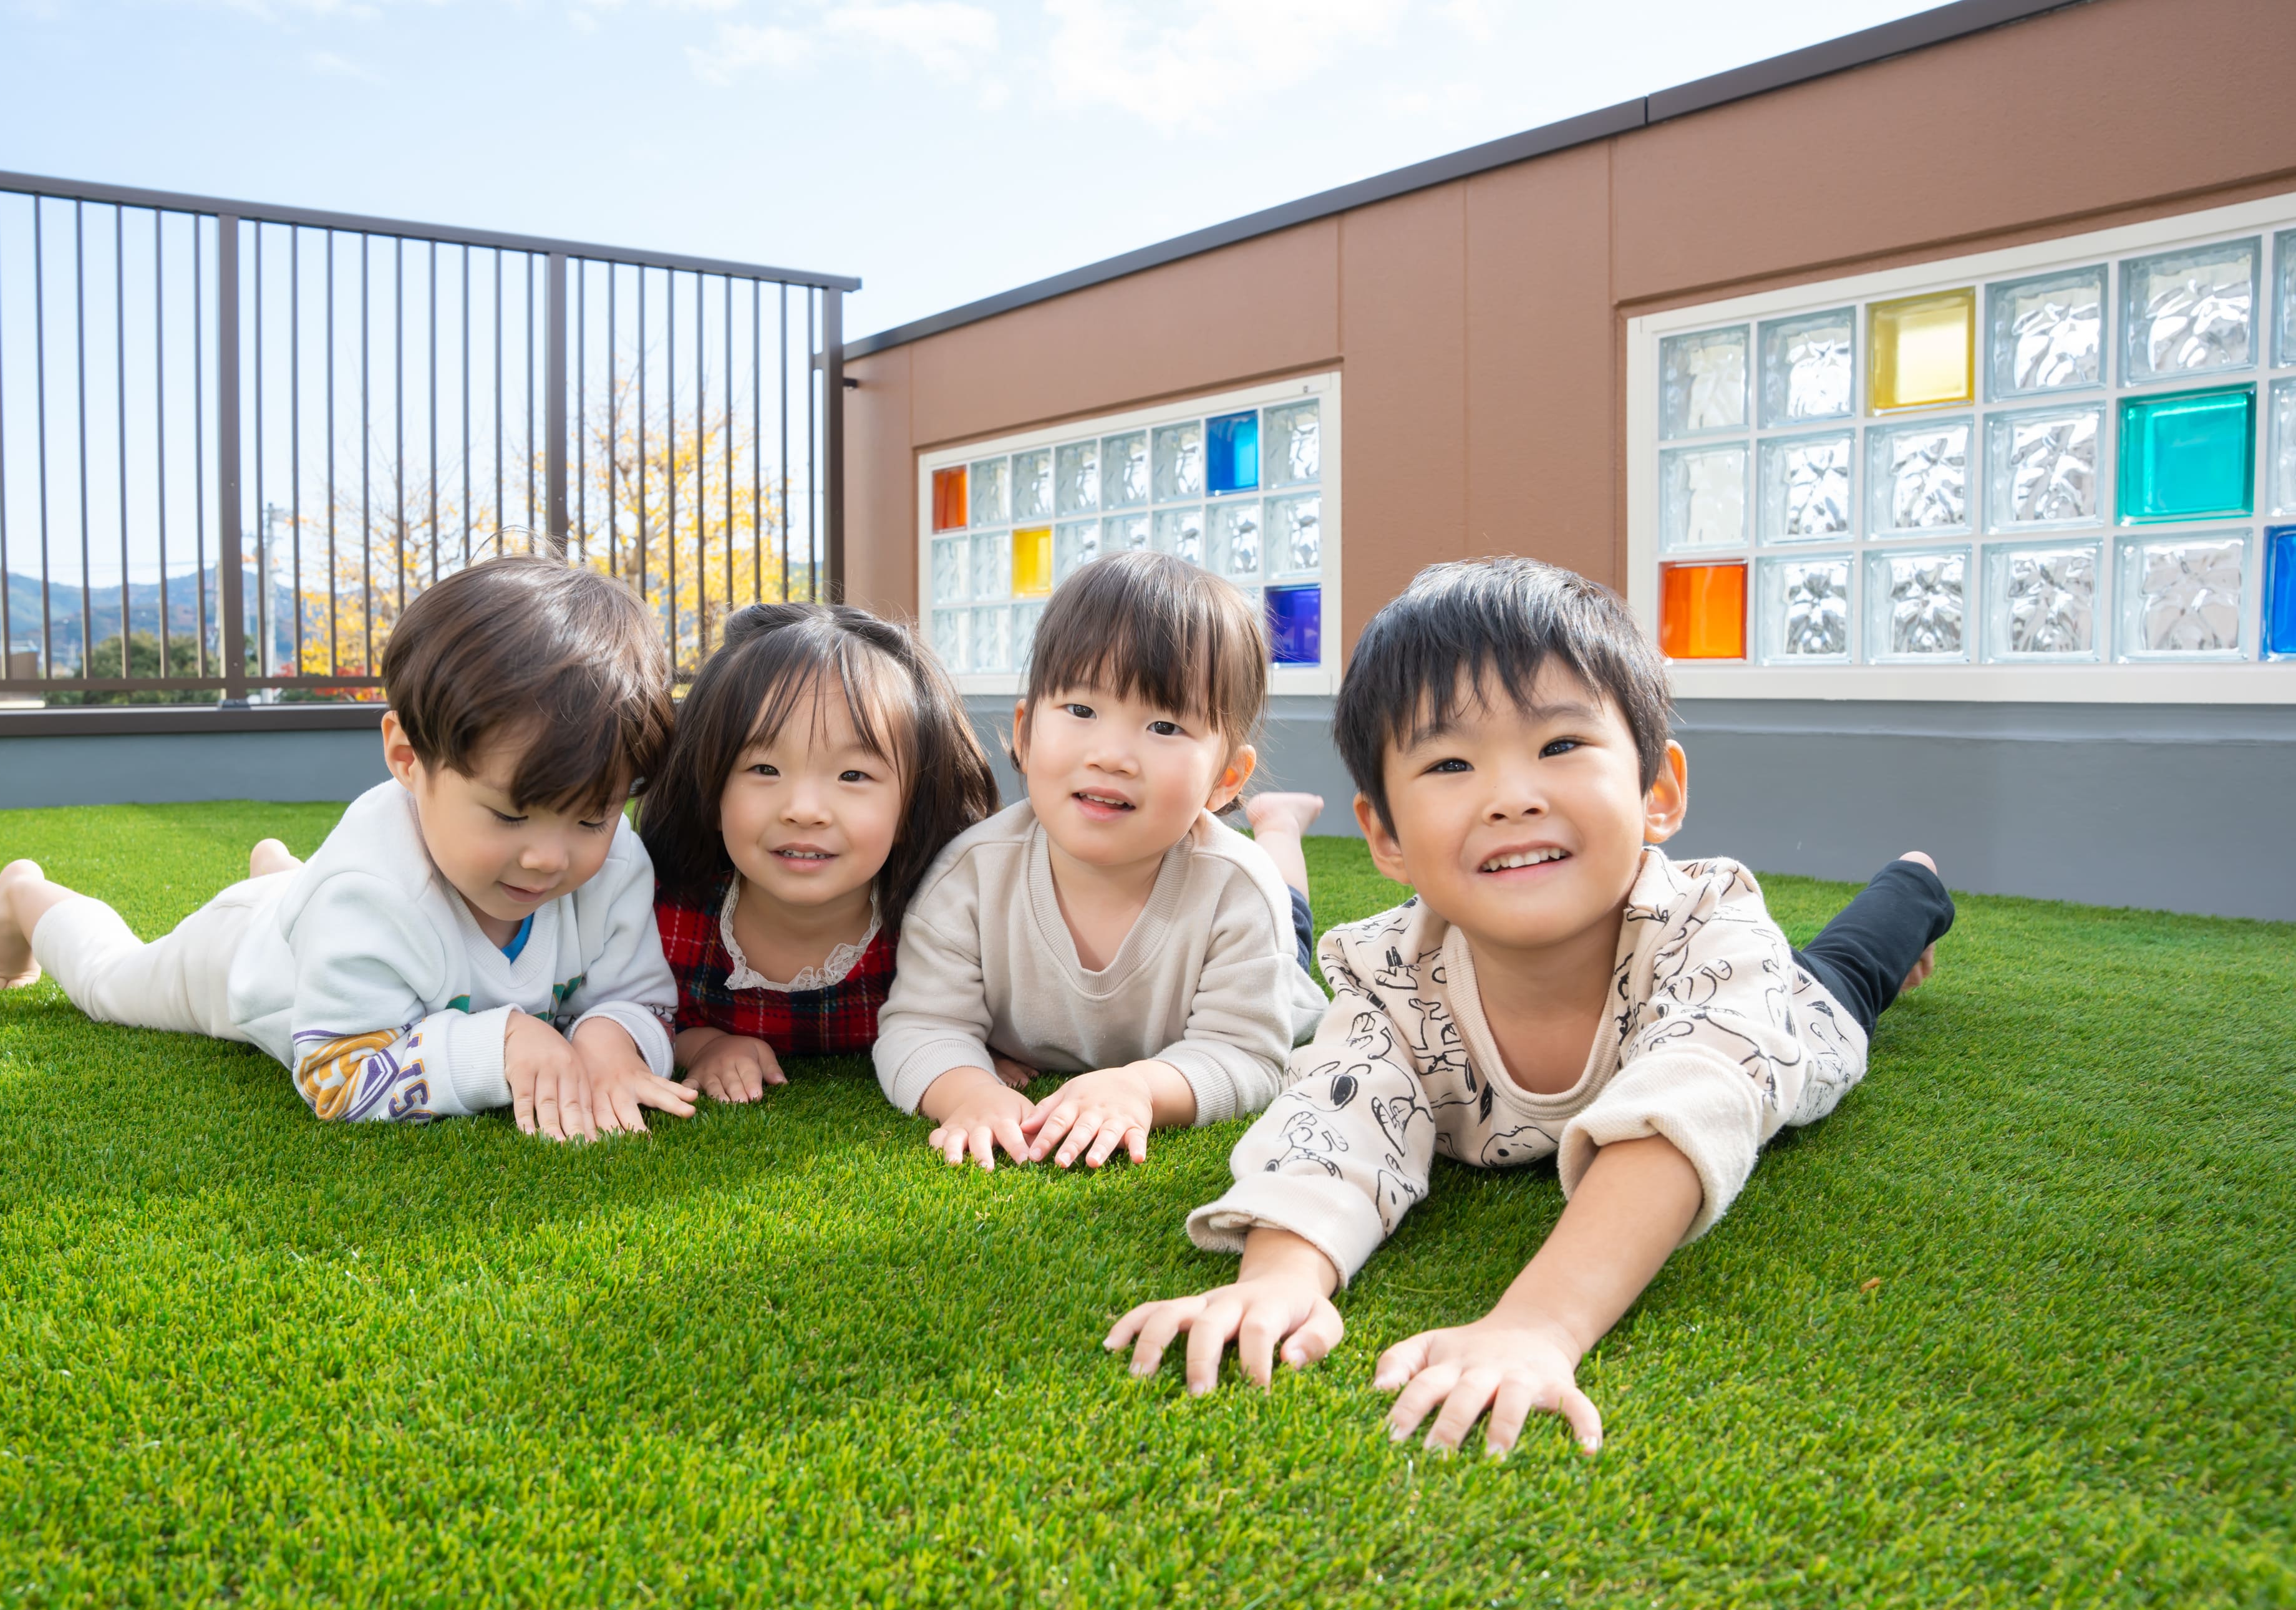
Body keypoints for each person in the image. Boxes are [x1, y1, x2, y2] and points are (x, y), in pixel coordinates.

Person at [1106, 557, 1954, 1456]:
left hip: (1791, 1019)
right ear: (1385, 834)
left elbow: (1681, 1108)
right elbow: (1334, 1114)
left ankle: (1916, 883)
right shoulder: (1387, 970)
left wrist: (1539, 1324)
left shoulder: (1710, 925)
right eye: (1450, 762)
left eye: (1559, 746)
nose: (1512, 796)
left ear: (1657, 791)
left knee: (1848, 972)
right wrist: (1280, 1274)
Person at [0, 550, 699, 1142]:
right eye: (509, 817)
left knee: (317, 893)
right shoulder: (369, 893)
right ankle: (28, 897)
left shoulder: (617, 864)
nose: (549, 857)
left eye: (590, 819)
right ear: (407, 759)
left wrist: (610, 1041)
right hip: (245, 959)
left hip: (327, 911)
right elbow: (337, 1075)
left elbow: (637, 997)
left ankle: (284, 874)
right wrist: (500, 1043)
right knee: (111, 985)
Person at [874, 552, 1332, 1170]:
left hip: (1266, 948)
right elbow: (921, 1026)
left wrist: (1140, 1088)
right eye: (1082, 711)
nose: (1112, 755)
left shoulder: (1240, 893)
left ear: (1225, 779)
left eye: (1165, 726)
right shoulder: (970, 878)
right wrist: (971, 1091)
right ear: (1027, 733)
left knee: (1288, 903)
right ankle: (1271, 819)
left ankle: (1277, 825)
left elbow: (1247, 1054)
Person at [639, 603, 999, 1102]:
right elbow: (632, 1010)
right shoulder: (668, 914)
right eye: (764, 768)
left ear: (913, 804)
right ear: (710, 787)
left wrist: (976, 1046)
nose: (804, 810)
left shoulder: (947, 923)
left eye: (853, 775)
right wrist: (704, 1046)